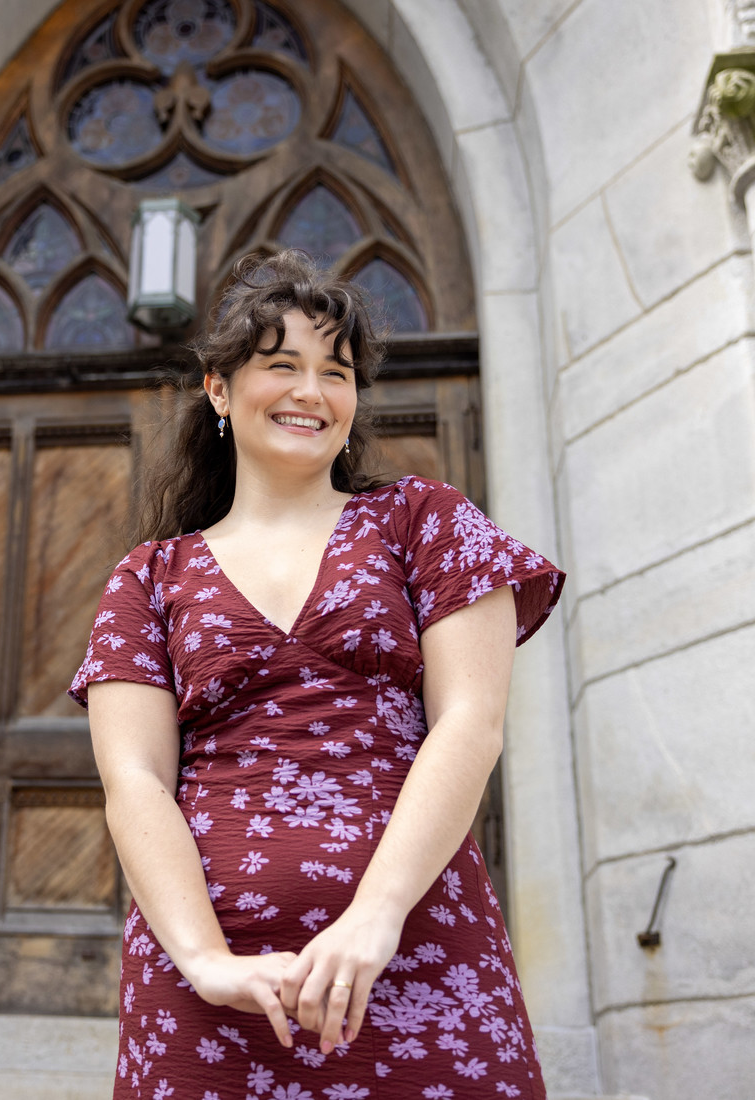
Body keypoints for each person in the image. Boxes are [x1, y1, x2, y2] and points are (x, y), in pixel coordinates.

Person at [69, 249, 564, 1100]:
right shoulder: (148, 576)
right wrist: (205, 961)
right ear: (219, 389)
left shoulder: (425, 521)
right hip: (210, 978)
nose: (311, 391)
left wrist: (374, 919)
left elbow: (471, 725)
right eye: (282, 365)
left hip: (415, 949)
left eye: (336, 372)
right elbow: (136, 779)